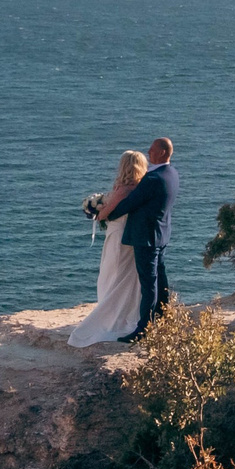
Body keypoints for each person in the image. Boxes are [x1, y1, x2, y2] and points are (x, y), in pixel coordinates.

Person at [67, 149, 149, 348]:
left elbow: (104, 215)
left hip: (118, 237)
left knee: (112, 276)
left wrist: (96, 208)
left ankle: (110, 317)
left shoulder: (123, 189)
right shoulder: (142, 187)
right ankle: (129, 314)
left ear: (124, 166)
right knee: (128, 277)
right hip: (130, 237)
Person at [101, 137, 178, 341]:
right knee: (160, 278)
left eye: (152, 150)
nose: (148, 152)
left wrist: (105, 213)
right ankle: (163, 316)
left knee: (148, 283)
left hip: (146, 237)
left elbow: (129, 205)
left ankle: (143, 329)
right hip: (161, 234)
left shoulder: (152, 179)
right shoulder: (171, 174)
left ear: (162, 153)